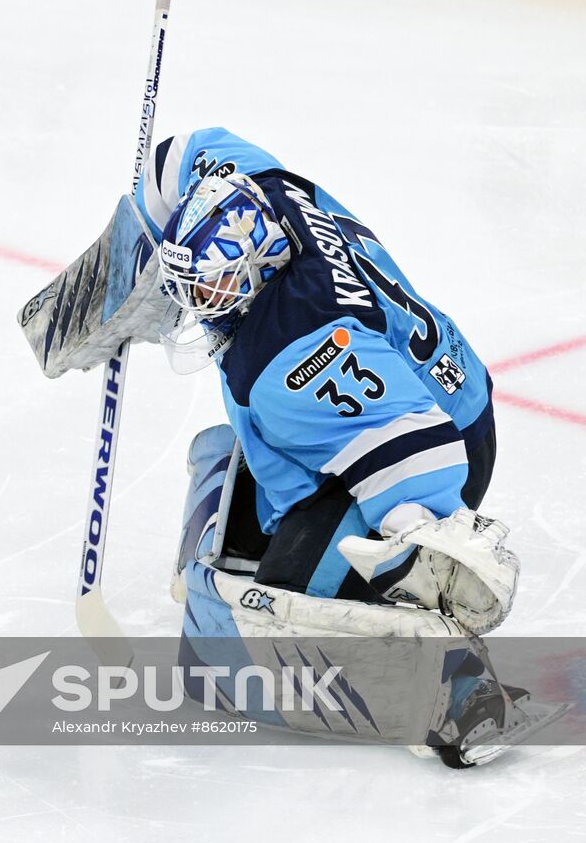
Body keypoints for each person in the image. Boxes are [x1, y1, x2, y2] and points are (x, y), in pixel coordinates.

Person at [137, 127, 512, 625]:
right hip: (446, 380)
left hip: (444, 442)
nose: (197, 304)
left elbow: (413, 449)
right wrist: (146, 224)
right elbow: (180, 156)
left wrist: (422, 538)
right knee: (257, 485)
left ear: (259, 263)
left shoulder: (292, 356)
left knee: (278, 614)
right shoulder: (263, 188)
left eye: (211, 287)